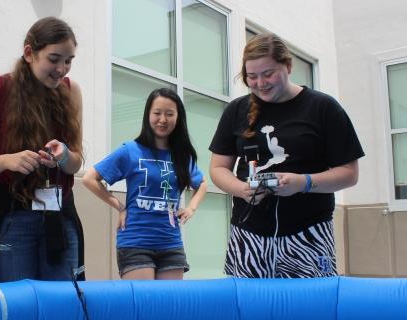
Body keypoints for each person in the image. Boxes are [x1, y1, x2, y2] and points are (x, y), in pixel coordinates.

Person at [209, 32, 364, 278]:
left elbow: (349, 173)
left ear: (288, 66)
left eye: (268, 73)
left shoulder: (324, 108)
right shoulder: (236, 110)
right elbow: (218, 168)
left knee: (310, 308)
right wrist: (241, 189)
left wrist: (303, 183)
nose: (261, 83)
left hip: (308, 234)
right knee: (251, 309)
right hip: (249, 234)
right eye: (252, 77)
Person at [0, 17, 84, 283]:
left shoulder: (71, 90)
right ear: (29, 53)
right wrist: (8, 160)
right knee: (20, 307)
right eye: (54, 59)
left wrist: (63, 155)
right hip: (13, 219)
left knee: (64, 306)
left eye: (69, 60)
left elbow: (76, 164)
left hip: (60, 219)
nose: (61, 69)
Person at [83, 88, 207, 280]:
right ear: (148, 115)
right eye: (157, 113)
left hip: (171, 242)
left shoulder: (182, 156)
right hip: (135, 240)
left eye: (169, 114)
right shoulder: (130, 150)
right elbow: (90, 178)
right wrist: (119, 206)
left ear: (178, 117)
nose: (162, 119)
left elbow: (202, 184)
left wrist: (191, 207)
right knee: (143, 304)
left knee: (170, 306)